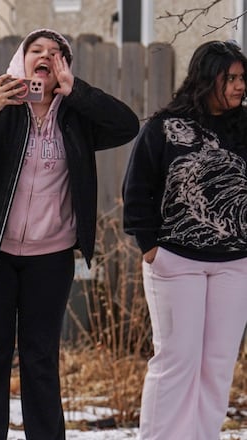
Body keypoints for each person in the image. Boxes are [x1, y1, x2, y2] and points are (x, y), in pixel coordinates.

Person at [0, 28, 139, 439]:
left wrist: (77, 91)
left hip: (50, 258)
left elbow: (127, 126)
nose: (45, 56)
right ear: (22, 59)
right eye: (37, 50)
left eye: (55, 53)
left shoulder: (77, 115)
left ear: (63, 66)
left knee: (40, 360)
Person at [122, 40, 247, 440]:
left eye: (243, 78)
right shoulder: (163, 128)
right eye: (231, 78)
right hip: (176, 260)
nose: (239, 86)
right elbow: (136, 188)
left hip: (235, 262)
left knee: (218, 362)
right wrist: (150, 246)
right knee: (178, 359)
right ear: (206, 79)